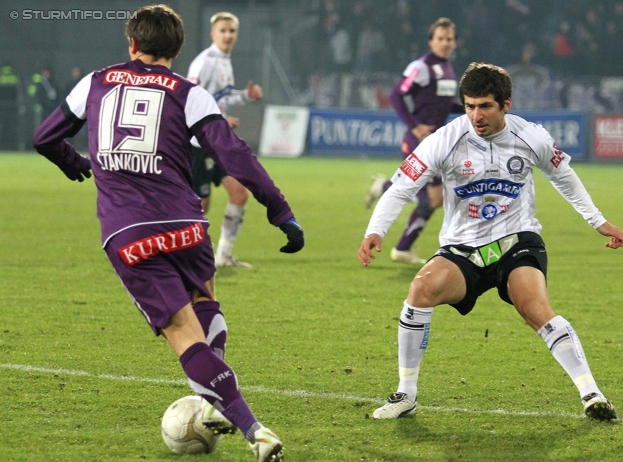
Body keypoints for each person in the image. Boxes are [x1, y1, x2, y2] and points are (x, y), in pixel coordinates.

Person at [33, 5, 304, 461]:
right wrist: (280, 210)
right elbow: (235, 155)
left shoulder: (96, 82)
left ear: (132, 44)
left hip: (130, 233)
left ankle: (253, 429)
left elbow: (45, 137)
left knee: (183, 332)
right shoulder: (188, 92)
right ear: (177, 51)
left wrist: (77, 163)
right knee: (204, 308)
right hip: (186, 225)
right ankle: (211, 404)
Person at [358, 62, 623, 422]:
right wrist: (374, 230)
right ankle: (406, 393)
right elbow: (402, 186)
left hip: (516, 241)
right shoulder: (444, 139)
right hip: (462, 249)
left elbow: (565, 177)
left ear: (506, 104)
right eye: (469, 106)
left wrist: (599, 221)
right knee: (420, 290)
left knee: (534, 306)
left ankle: (592, 394)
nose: (476, 115)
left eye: (485, 106)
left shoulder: (531, 137)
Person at [364, 17, 463, 264]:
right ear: (431, 41)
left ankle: (403, 247)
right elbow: (397, 95)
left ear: (455, 42)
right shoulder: (421, 66)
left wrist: (470, 108)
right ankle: (401, 245)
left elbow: (443, 103)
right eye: (440, 38)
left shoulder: (447, 68)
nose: (445, 43)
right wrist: (415, 126)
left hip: (437, 142)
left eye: (449, 39)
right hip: (418, 142)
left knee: (434, 199)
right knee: (431, 198)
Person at [187, 12, 263, 268]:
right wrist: (217, 120)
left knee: (240, 193)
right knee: (199, 206)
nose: (228, 35)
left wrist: (246, 96)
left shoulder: (225, 61)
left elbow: (222, 99)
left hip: (217, 143)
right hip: (198, 143)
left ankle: (222, 255)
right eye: (223, 31)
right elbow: (188, 100)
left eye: (232, 31)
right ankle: (169, 250)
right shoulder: (204, 62)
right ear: (213, 34)